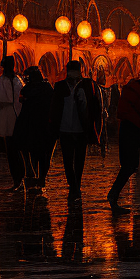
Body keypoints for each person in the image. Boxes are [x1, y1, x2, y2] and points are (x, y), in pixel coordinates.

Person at [107, 74, 140, 211]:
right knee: (130, 165)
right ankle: (113, 194)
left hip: (127, 128)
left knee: (130, 165)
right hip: (132, 130)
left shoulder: (132, 90)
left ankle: (114, 194)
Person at [51, 60, 100, 200]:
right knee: (67, 160)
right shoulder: (60, 86)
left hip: (81, 129)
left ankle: (76, 185)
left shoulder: (86, 85)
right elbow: (54, 108)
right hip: (65, 128)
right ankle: (72, 185)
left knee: (79, 160)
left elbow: (94, 107)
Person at [14, 66, 55, 191]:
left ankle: (32, 172)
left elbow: (22, 100)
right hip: (42, 125)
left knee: (29, 150)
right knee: (43, 154)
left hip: (31, 124)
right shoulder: (47, 88)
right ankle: (40, 177)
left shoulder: (29, 89)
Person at [0, 56, 25, 187]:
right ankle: (17, 178)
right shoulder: (1, 82)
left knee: (15, 148)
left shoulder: (17, 81)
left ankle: (20, 177)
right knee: (11, 148)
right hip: (8, 116)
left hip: (16, 116)